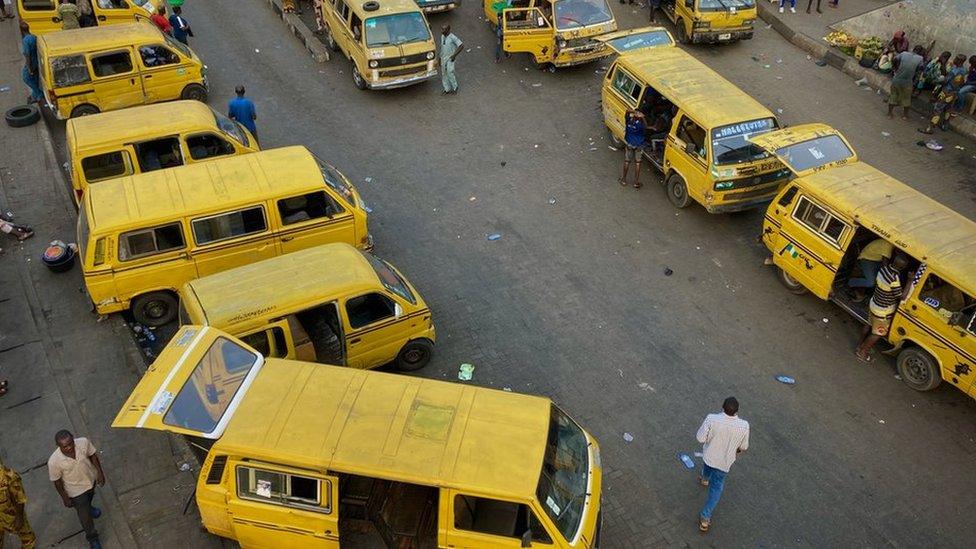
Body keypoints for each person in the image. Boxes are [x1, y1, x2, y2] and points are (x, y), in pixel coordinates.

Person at [695, 397, 749, 533]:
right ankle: (705, 518)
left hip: (710, 456)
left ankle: (705, 479)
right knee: (716, 488)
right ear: (737, 411)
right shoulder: (744, 425)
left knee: (707, 467)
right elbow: (744, 446)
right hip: (725, 462)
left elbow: (700, 438)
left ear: (722, 407)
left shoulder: (711, 418)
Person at [48, 431, 106, 549]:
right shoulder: (54, 461)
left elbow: (93, 456)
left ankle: (89, 508)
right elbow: (57, 482)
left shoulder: (83, 442)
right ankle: (93, 538)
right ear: (58, 446)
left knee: (89, 499)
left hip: (90, 481)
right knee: (85, 519)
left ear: (73, 439)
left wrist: (100, 473)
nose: (69, 447)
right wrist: (65, 497)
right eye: (65, 446)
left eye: (71, 443)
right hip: (76, 492)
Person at [855, 254, 909, 362]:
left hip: (874, 303)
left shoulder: (884, 269)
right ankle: (862, 352)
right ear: (903, 267)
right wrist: (910, 280)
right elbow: (902, 297)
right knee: (877, 334)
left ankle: (860, 345)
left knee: (868, 325)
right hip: (882, 311)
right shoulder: (894, 279)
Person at [919, 54, 968, 134]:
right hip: (955, 93)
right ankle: (945, 125)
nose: (954, 60)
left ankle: (930, 128)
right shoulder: (964, 70)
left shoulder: (953, 71)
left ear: (959, 61)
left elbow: (945, 81)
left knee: (937, 109)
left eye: (956, 59)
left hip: (947, 92)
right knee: (948, 109)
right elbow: (963, 82)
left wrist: (936, 81)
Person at [1, 458, 36, 549]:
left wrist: (19, 517)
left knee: (27, 539)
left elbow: (20, 498)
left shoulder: (8, 476)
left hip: (11, 515)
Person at [888, 46, 924, 120]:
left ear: (913, 50)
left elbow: (894, 60)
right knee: (907, 98)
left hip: (897, 78)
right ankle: (905, 115)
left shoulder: (904, 53)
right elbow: (921, 69)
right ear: (920, 52)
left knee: (893, 95)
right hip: (907, 81)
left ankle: (890, 113)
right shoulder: (920, 58)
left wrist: (895, 68)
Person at [619, 110, 646, 189]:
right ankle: (636, 182)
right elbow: (646, 126)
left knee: (627, 161)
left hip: (629, 143)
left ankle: (623, 180)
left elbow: (626, 112)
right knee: (638, 162)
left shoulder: (628, 120)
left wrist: (634, 112)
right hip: (639, 144)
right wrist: (643, 117)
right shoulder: (640, 124)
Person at [19, 22, 43, 105]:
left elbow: (27, 55)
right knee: (35, 79)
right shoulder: (34, 37)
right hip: (36, 62)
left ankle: (39, 95)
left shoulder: (26, 40)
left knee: (26, 78)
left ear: (21, 31)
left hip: (31, 63)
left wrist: (29, 68)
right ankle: (35, 95)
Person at [439, 25, 463, 95]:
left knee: (450, 72)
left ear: (448, 30)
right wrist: (439, 58)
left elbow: (461, 46)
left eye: (444, 29)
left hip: (450, 58)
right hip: (443, 58)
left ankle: (455, 87)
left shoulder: (453, 37)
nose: (442, 31)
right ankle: (446, 89)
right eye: (442, 29)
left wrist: (454, 55)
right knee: (444, 73)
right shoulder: (442, 37)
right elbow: (442, 47)